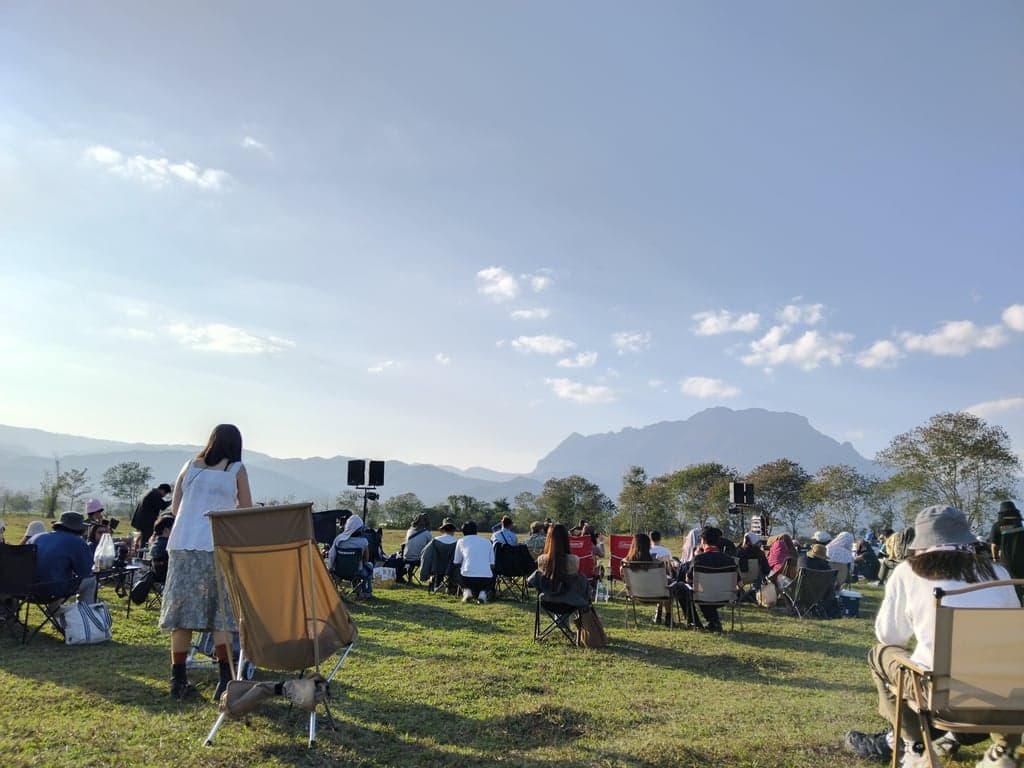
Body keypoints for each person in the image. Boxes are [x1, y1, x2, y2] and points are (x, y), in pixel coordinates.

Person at [844, 505, 1021, 768]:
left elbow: (891, 635)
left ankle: (916, 746)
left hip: (945, 700)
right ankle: (1005, 750)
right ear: (966, 537)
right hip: (1005, 699)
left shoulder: (907, 572)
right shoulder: (999, 574)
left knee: (879, 653)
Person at [159, 423, 252, 701]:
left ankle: (178, 681)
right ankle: (225, 680)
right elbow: (245, 510)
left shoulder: (190, 466)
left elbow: (176, 508)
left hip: (181, 545)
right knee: (220, 612)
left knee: (181, 612)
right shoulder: (236, 469)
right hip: (215, 544)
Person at [674, 526, 740, 632]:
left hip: (703, 596)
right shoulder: (729, 560)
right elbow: (740, 583)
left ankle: (694, 621)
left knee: (680, 586)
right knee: (707, 590)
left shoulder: (698, 560)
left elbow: (688, 580)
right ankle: (713, 622)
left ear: (702, 540)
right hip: (724, 597)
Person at [31, 511, 96, 605]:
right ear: (79, 529)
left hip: (27, 590)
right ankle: (85, 613)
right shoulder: (77, 542)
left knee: (54, 578)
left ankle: (56, 613)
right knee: (91, 580)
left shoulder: (36, 537)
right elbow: (85, 572)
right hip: (54, 590)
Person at [527, 523, 590, 609]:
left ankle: (559, 621)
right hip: (571, 602)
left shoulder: (541, 559)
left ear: (549, 538)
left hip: (548, 600)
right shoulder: (574, 560)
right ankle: (561, 621)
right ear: (566, 539)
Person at [327, 514, 374, 599]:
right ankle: (366, 592)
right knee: (369, 566)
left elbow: (331, 555)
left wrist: (330, 568)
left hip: (338, 572)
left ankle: (335, 591)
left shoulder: (339, 540)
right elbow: (366, 559)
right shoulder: (364, 542)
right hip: (357, 572)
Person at [989, 501, 1024, 601]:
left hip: (1006, 562)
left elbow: (994, 546)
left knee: (1010, 586)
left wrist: (995, 559)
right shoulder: (1021, 525)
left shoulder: (997, 526)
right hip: (1022, 561)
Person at [454, 521, 494, 603]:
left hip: (466, 579)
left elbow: (456, 562)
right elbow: (492, 564)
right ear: (476, 531)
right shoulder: (488, 542)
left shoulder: (461, 541)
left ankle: (467, 590)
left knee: (454, 570)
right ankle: (483, 593)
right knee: (492, 571)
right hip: (486, 580)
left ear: (463, 532)